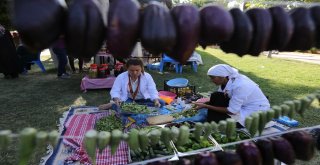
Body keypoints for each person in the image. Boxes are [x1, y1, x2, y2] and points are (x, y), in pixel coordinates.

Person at [193, 64, 270, 127]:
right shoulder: (228, 80)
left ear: (222, 77)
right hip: (243, 105)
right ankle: (213, 118)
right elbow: (220, 95)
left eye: (213, 78)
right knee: (215, 96)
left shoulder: (240, 86)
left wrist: (206, 106)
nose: (211, 80)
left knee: (216, 119)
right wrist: (205, 103)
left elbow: (232, 111)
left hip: (255, 111)